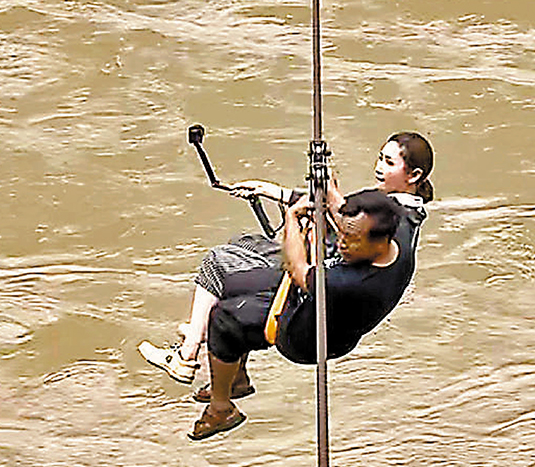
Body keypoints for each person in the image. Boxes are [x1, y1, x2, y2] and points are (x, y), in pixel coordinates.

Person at [137, 129, 434, 387]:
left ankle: (187, 354)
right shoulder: (394, 204)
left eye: (389, 162)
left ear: (414, 175)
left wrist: (315, 204)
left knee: (218, 262)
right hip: (325, 262)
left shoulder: (397, 222)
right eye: (380, 158)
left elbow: (344, 224)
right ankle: (202, 331)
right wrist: (272, 191)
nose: (379, 167)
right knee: (244, 243)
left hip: (316, 286)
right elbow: (341, 213)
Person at [189, 189, 415, 440]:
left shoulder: (346, 283)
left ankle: (221, 408)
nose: (341, 242)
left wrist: (291, 218)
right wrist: (328, 189)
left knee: (224, 319)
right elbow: (349, 213)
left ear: (380, 242)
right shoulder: (401, 234)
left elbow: (297, 269)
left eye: (351, 239)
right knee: (237, 267)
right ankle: (235, 377)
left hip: (305, 337)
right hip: (323, 307)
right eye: (342, 232)